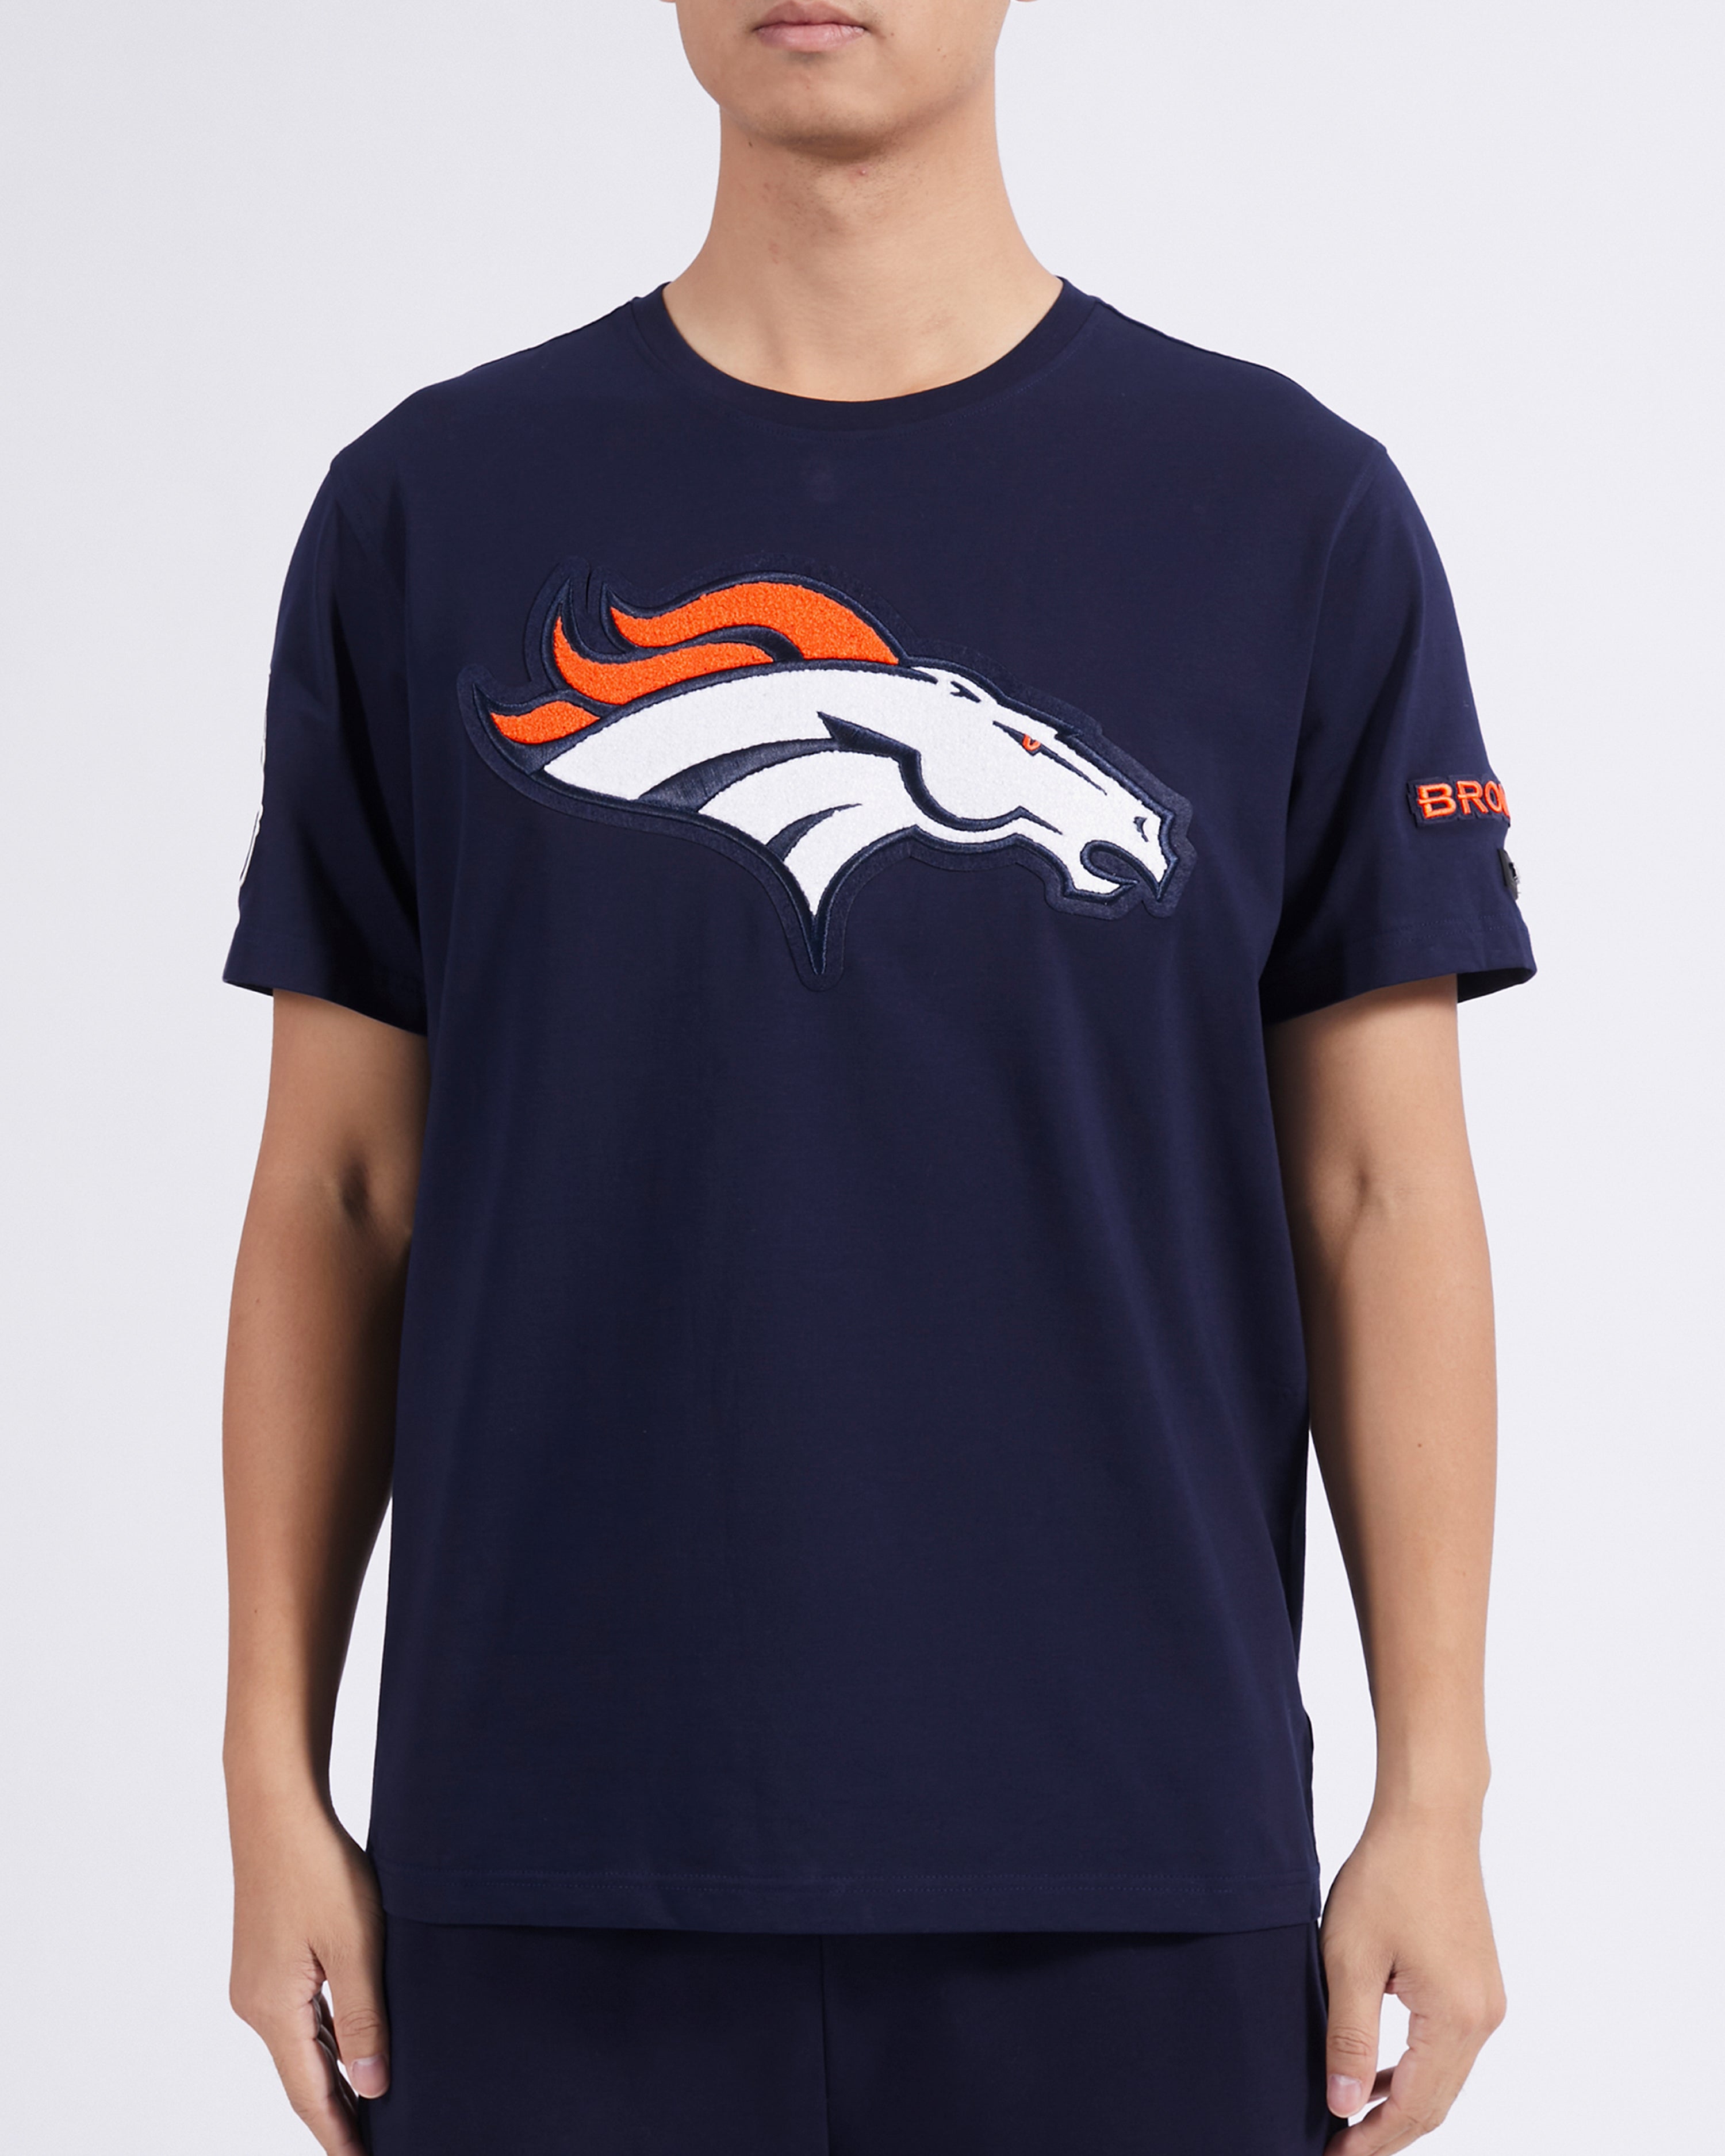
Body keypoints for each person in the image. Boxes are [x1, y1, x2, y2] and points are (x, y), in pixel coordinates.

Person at [221, 4, 1531, 2151]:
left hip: (1134, 1880)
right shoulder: (428, 512)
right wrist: (267, 1779)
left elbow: (1382, 1195)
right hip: (547, 1875)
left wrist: (1436, 1796)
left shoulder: (1289, 514)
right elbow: (339, 1193)